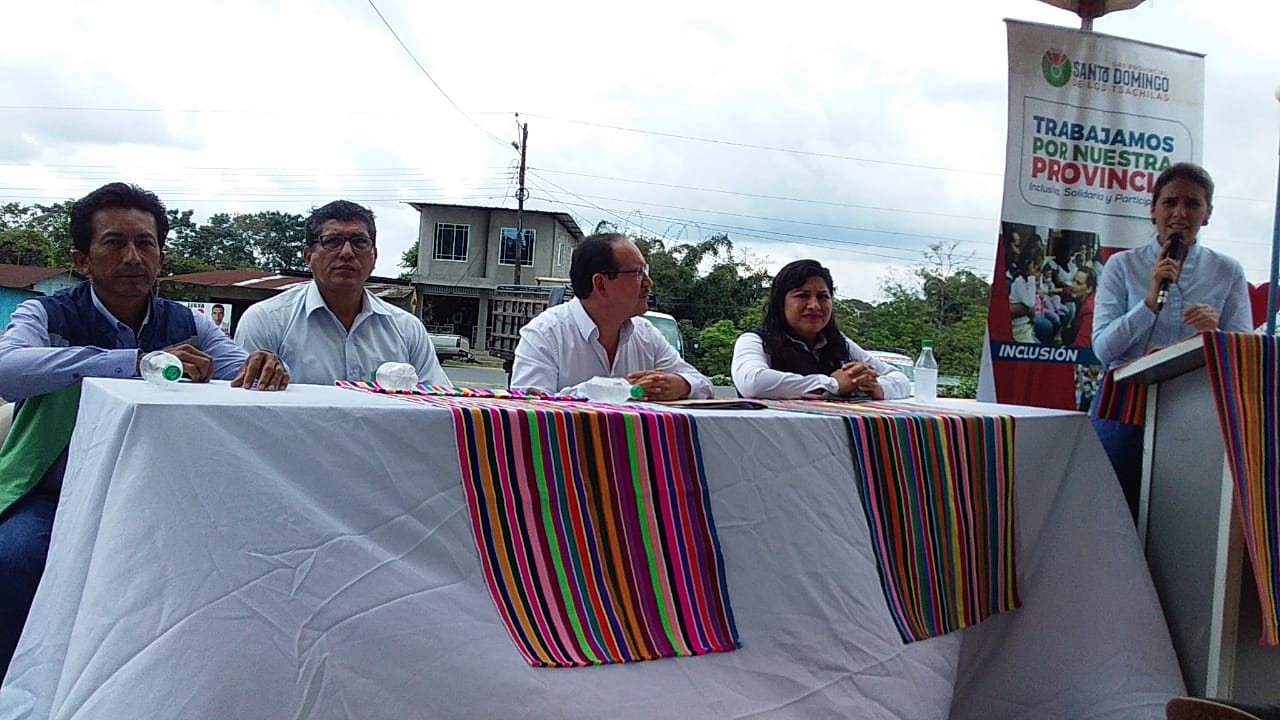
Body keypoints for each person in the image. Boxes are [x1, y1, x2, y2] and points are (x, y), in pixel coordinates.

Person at [0, 182, 289, 679]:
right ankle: (16, 690)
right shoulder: (46, 313)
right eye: (114, 243)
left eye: (145, 243)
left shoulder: (189, 324)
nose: (132, 257)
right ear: (82, 259)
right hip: (55, 494)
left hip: (164, 496)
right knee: (14, 557)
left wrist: (263, 366)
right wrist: (135, 362)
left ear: (161, 257)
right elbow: (8, 370)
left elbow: (240, 374)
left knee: (238, 564)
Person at [1090, 162, 1251, 520]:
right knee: (1112, 515)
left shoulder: (1227, 271)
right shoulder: (1122, 265)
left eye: (1192, 203)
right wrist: (1149, 302)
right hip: (1124, 408)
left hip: (1195, 410)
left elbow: (1242, 353)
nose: (1180, 213)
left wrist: (1216, 336)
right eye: (1170, 202)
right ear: (1153, 210)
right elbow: (1103, 350)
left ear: (1207, 214)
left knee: (1179, 519)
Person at [235, 200, 449, 386]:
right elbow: (246, 404)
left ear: (374, 257)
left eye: (359, 242)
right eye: (332, 241)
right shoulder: (267, 321)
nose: (347, 253)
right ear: (308, 256)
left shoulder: (407, 329)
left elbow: (438, 401)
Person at [510, 232, 711, 399]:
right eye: (638, 273)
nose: (648, 282)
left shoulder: (646, 334)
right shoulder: (544, 334)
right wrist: (621, 389)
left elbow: (704, 386)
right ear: (600, 284)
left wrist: (678, 385)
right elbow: (529, 407)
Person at [731, 259, 910, 400]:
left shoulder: (840, 343)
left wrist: (875, 387)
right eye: (803, 295)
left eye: (823, 296)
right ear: (780, 303)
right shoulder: (755, 341)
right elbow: (752, 383)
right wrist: (833, 385)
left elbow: (900, 379)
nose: (814, 305)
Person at [1062, 266, 1097, 347]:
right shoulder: (1085, 294)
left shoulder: (1089, 311)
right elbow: (1070, 290)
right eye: (1073, 281)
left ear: (1089, 289)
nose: (1073, 285)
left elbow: (1081, 344)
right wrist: (1053, 290)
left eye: (1078, 283)